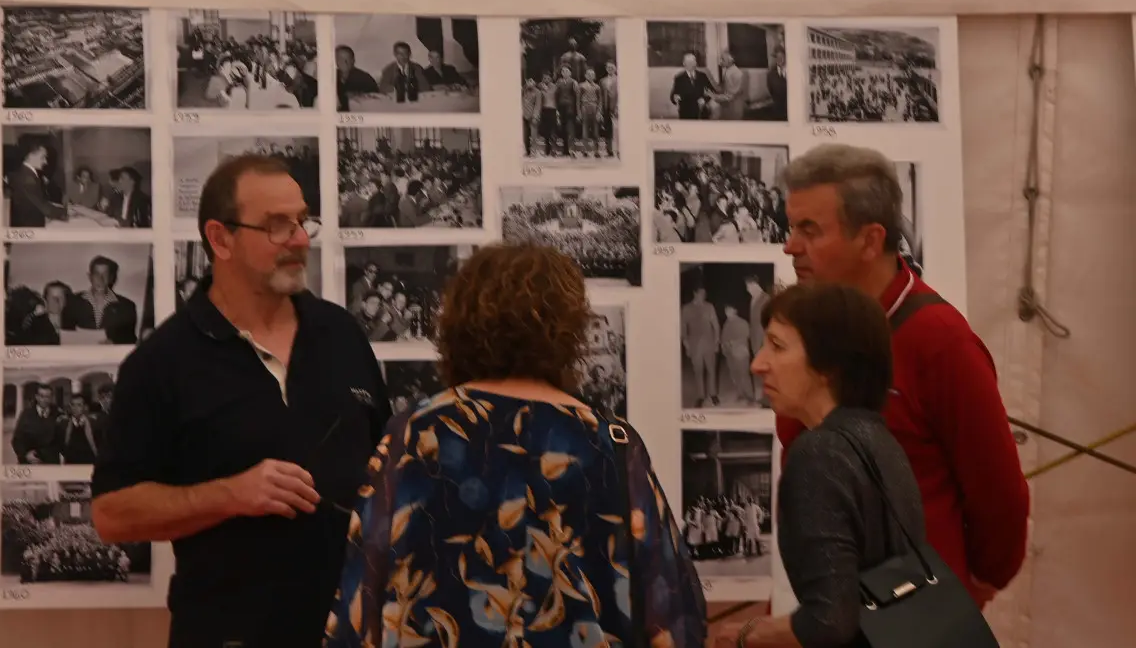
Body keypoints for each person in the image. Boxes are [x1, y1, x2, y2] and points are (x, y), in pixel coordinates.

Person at [322, 243, 707, 647]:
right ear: (567, 330)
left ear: (458, 323)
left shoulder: (412, 435)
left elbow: (360, 594)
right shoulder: (609, 442)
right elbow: (671, 608)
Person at [91, 153, 391, 648]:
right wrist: (230, 494)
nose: (299, 239)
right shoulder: (162, 362)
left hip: (354, 632)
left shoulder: (341, 333)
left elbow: (382, 472)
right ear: (220, 238)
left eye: (302, 221)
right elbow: (112, 515)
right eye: (276, 226)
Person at [775, 143, 1029, 607]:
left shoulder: (941, 341)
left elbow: (1001, 499)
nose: (790, 246)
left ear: (871, 240)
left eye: (809, 230)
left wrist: (969, 590)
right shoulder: (806, 329)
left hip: (917, 621)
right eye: (791, 227)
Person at [716, 282, 926, 648]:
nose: (757, 363)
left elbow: (830, 621)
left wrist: (747, 634)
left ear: (828, 365)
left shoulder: (819, 455)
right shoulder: (879, 441)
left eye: (778, 347)